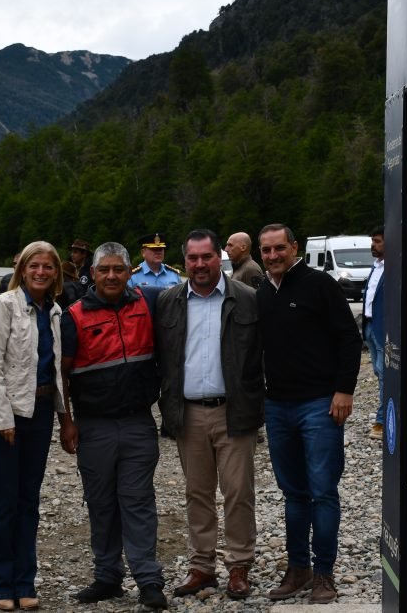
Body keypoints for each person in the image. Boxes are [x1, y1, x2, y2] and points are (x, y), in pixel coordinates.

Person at [256, 223, 361, 605]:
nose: (272, 256)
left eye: (278, 248)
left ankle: (324, 574)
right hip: (278, 405)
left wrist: (344, 390)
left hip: (319, 403)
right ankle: (297, 568)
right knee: (292, 492)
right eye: (265, 250)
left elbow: (349, 338)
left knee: (322, 491)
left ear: (294, 247)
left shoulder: (320, 284)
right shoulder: (263, 291)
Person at [155, 230, 264, 600]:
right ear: (184, 261)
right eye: (192, 258)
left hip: (234, 412)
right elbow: (161, 359)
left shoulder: (248, 298)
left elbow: (264, 356)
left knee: (238, 493)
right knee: (197, 493)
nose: (199, 265)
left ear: (221, 257)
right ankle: (202, 566)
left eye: (207, 257)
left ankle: (238, 565)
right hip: (188, 413)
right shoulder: (168, 301)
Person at [59, 242, 167, 610]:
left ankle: (149, 580)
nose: (110, 276)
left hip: (138, 422)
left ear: (129, 272)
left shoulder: (148, 304)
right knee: (101, 503)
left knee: (138, 501)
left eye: (118, 269)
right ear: (91, 273)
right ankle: (107, 577)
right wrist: (66, 421)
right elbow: (62, 374)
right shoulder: (73, 316)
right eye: (103, 269)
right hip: (94, 426)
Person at [0, 241, 71, 612]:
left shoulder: (55, 312)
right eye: (35, 266)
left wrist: (65, 419)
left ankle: (24, 580)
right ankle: (0, 583)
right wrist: (2, 419)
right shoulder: (4, 305)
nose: (41, 272)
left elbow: (56, 371)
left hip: (41, 409)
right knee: (5, 500)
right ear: (23, 269)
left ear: (56, 272)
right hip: (3, 415)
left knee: (29, 500)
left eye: (48, 266)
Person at [362, 225, 386, 440]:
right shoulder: (376, 266)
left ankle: (381, 421)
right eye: (373, 241)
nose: (373, 245)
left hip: (382, 328)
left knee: (384, 375)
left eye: (378, 241)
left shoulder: (394, 268)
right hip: (370, 327)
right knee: (379, 374)